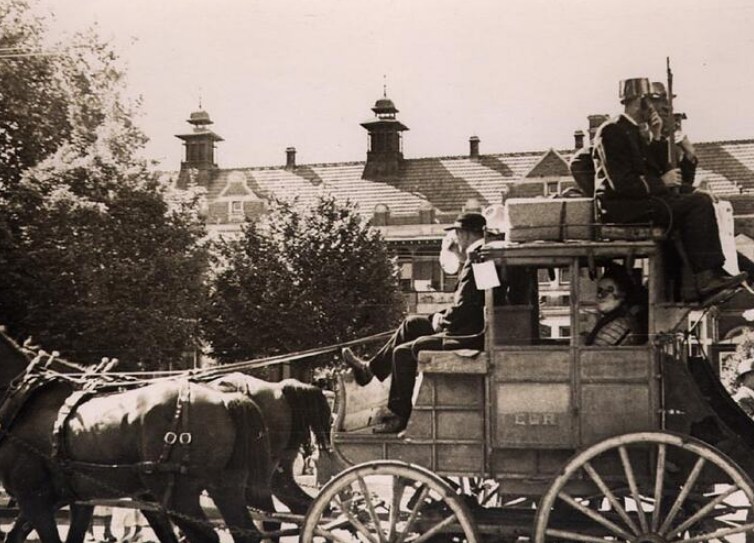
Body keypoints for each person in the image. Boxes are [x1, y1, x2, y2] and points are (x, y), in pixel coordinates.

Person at [592, 77, 746, 304]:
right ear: (640, 102)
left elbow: (654, 172)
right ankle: (705, 280)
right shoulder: (612, 131)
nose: (657, 109)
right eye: (653, 102)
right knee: (697, 205)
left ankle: (711, 275)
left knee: (699, 199)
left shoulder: (632, 131)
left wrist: (655, 136)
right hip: (622, 208)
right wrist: (663, 183)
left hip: (637, 203)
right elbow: (622, 184)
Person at [342, 212, 487, 433]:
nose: (456, 240)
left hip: (467, 334)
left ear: (463, 234)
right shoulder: (482, 255)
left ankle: (400, 415)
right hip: (470, 328)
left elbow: (468, 307)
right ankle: (370, 370)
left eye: (457, 234)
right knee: (412, 324)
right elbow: (478, 303)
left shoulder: (476, 259)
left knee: (403, 353)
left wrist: (444, 321)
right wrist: (438, 317)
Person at [585, 265, 646, 346]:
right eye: (599, 290)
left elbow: (591, 355)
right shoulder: (613, 320)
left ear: (622, 294)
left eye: (609, 290)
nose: (600, 295)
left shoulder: (620, 325)